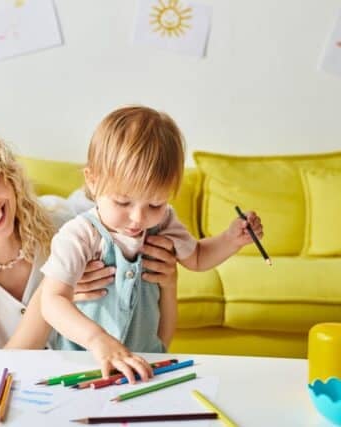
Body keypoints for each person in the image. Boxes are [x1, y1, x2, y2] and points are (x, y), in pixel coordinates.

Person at [0, 123, 179, 349]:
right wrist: (54, 294)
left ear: (8, 176)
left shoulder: (70, 227)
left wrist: (169, 282)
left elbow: (155, 341)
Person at [38, 106, 265, 382]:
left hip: (147, 363)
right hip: (82, 364)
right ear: (93, 181)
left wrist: (232, 239)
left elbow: (198, 257)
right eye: (123, 202)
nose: (138, 218)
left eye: (155, 203)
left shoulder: (165, 223)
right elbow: (51, 300)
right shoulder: (80, 234)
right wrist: (98, 340)